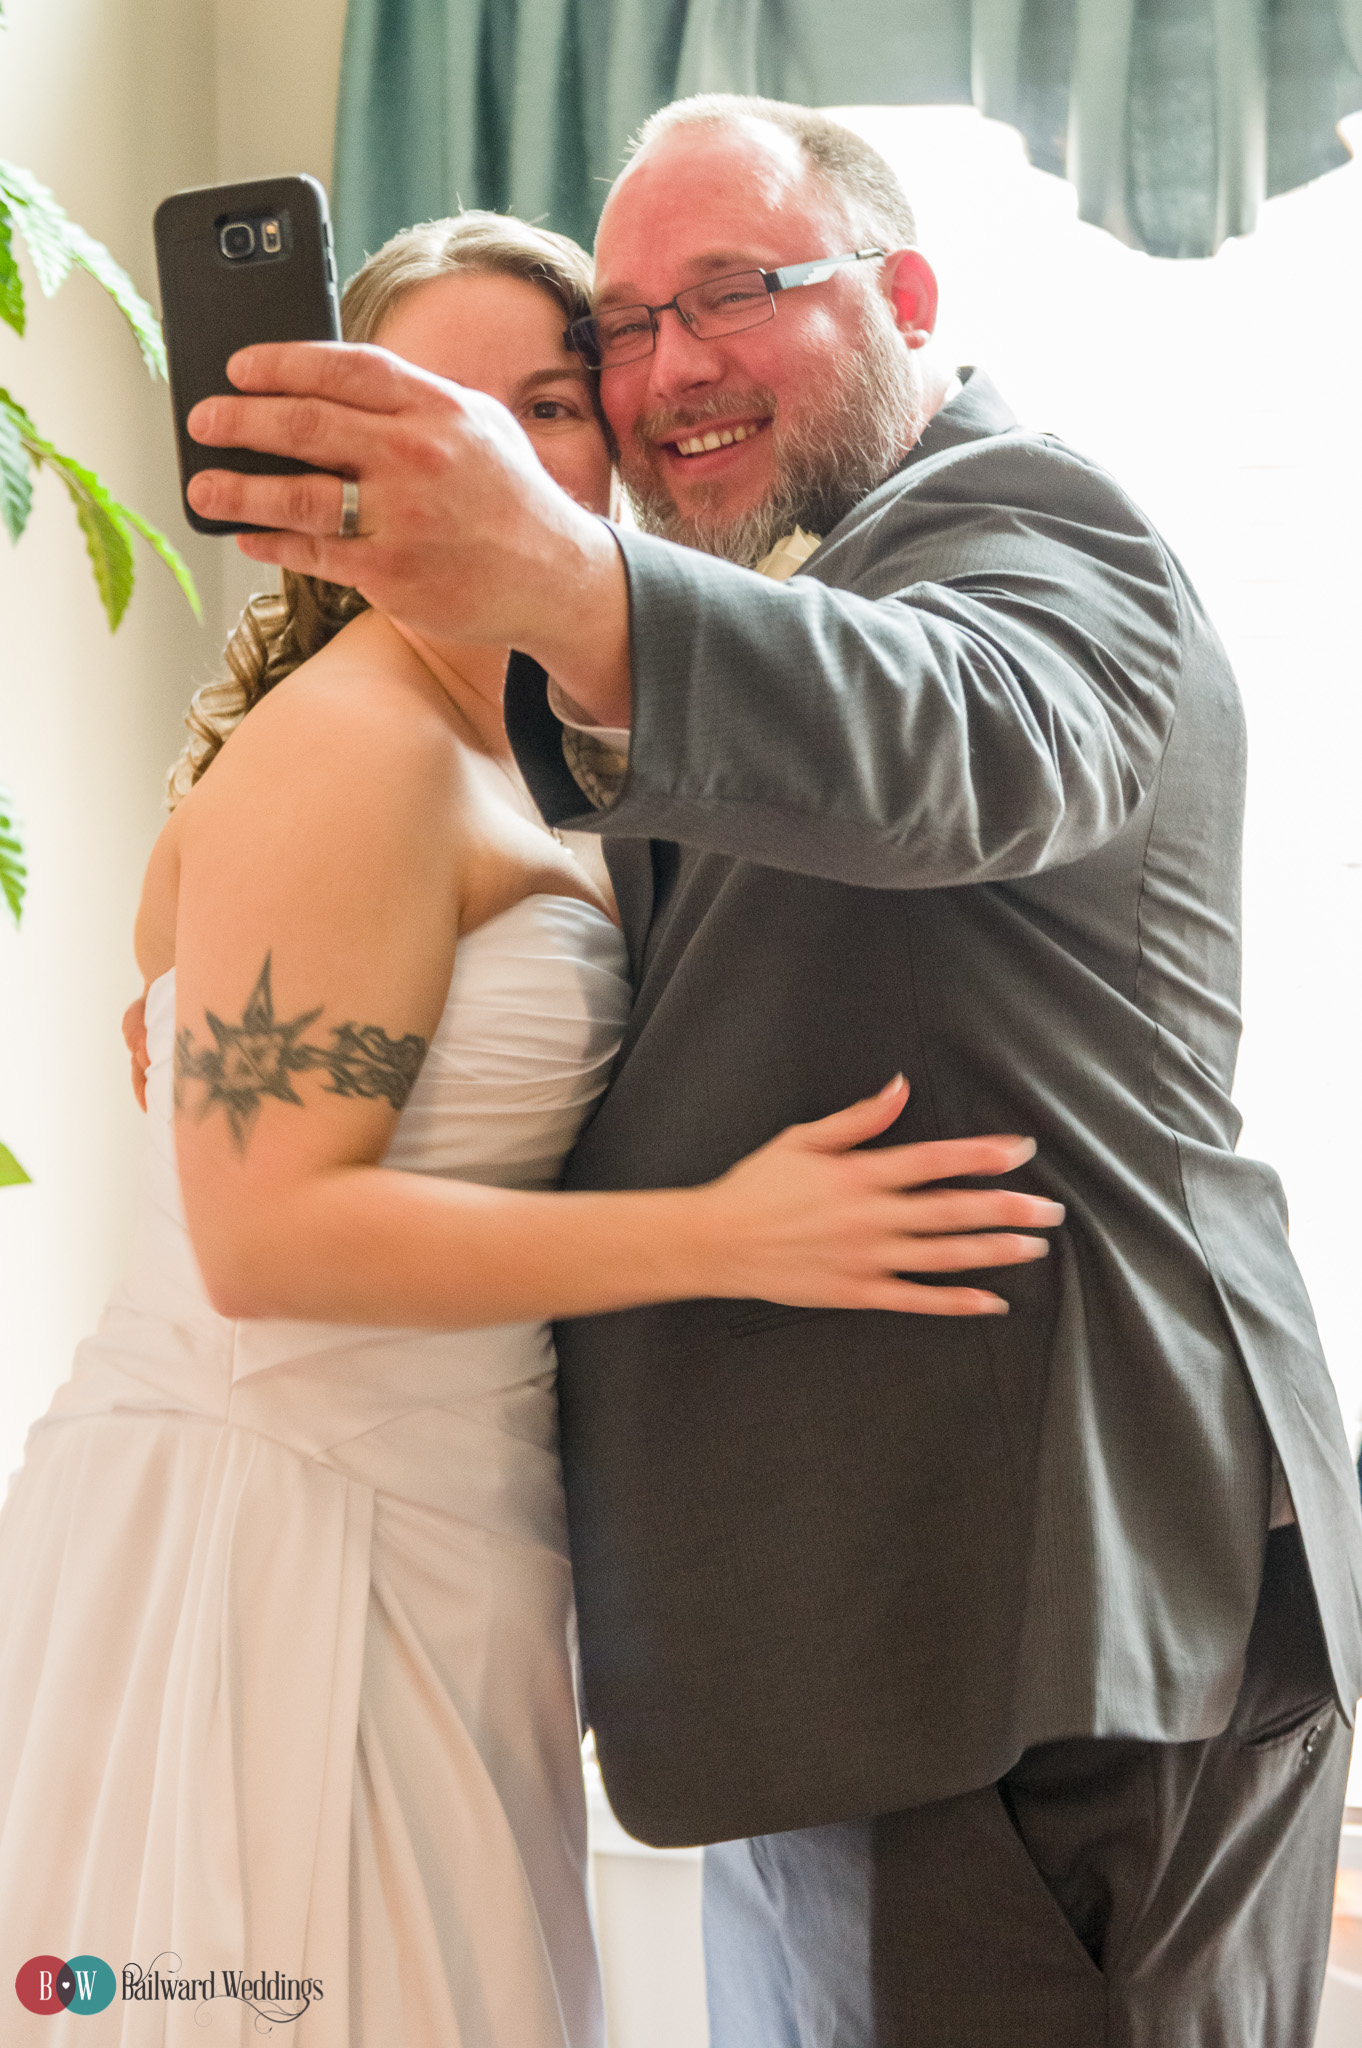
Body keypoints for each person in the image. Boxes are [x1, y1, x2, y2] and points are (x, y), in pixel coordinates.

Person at [178, 96, 1362, 2048]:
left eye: (729, 296)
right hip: (844, 1640)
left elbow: (969, 735)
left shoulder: (1027, 528)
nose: (665, 372)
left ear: (905, 293)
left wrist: (563, 577)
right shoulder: (612, 689)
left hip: (1039, 1627)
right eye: (623, 330)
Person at [0, 211, 1061, 2048]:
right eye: (431, 399)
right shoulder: (358, 750)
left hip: (452, 1536)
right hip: (282, 1553)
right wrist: (731, 1232)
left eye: (550, 403)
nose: (493, 448)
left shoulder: (546, 741)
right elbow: (268, 1238)